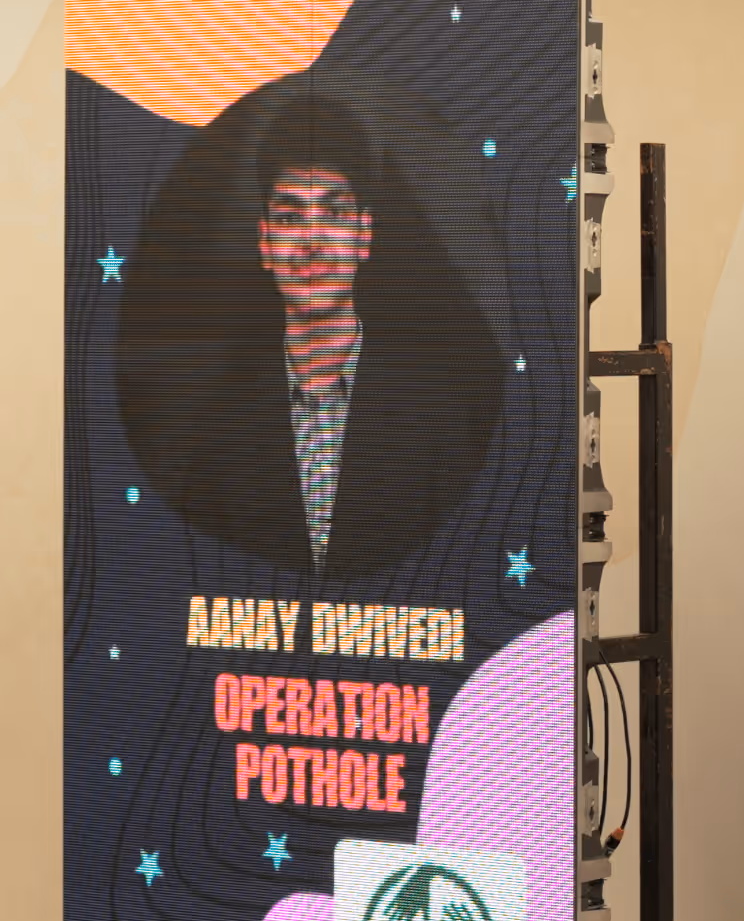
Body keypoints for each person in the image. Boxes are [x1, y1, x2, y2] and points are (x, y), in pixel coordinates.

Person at [117, 74, 500, 582]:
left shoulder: (438, 416)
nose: (312, 240)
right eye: (290, 217)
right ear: (264, 242)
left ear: (364, 235)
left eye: (334, 213)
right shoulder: (212, 430)